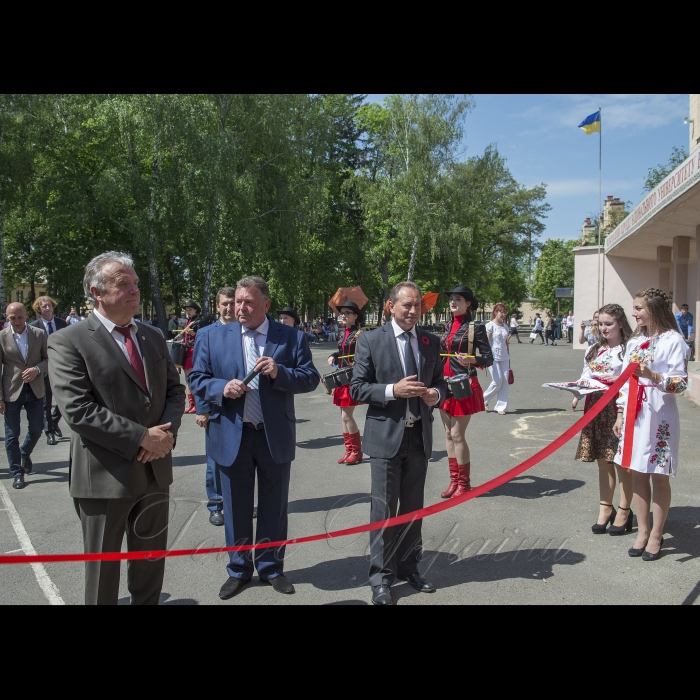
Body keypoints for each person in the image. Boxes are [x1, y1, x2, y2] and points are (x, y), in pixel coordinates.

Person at [48, 251, 185, 604]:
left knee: (150, 565)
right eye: (123, 284)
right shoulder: (68, 340)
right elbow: (77, 410)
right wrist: (143, 437)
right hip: (104, 476)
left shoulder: (153, 336)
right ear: (96, 291)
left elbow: (174, 389)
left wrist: (164, 436)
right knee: (101, 575)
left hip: (155, 473)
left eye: (136, 283)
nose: (134, 290)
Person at [188, 276, 319, 600]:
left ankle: (272, 568)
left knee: (274, 508)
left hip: (273, 435)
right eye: (236, 302)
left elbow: (310, 378)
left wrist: (279, 372)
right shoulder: (211, 336)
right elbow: (197, 378)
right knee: (235, 508)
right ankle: (239, 570)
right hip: (233, 433)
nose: (240, 308)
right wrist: (222, 387)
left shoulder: (290, 337)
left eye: (247, 302)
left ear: (265, 305)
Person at [350, 281, 447, 606]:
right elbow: (357, 389)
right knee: (383, 509)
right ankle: (381, 577)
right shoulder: (371, 339)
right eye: (406, 305)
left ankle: (409, 567)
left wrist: (435, 395)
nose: (412, 311)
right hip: (385, 437)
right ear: (391, 306)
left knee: (413, 508)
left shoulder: (430, 341)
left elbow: (440, 385)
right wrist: (393, 390)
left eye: (417, 305)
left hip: (418, 437)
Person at [613, 288, 690, 561]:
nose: (633, 314)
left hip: (659, 414)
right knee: (636, 472)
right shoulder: (634, 342)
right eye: (633, 309)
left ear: (654, 310)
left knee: (658, 473)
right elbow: (623, 383)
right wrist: (620, 414)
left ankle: (657, 533)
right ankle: (642, 530)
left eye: (638, 309)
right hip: (635, 413)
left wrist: (654, 375)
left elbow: (680, 383)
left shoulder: (674, 341)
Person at [574, 303, 634, 535]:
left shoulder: (628, 348)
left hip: (618, 407)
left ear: (620, 323)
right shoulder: (596, 349)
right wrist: (576, 390)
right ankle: (605, 508)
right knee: (602, 460)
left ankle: (625, 509)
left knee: (620, 462)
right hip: (596, 406)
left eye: (608, 324)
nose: (603, 328)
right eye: (600, 324)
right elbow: (586, 375)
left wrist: (618, 377)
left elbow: (634, 378)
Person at [438, 285, 493, 499]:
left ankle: (464, 483)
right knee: (447, 435)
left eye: (458, 299)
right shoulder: (446, 326)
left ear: (468, 303)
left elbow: (489, 358)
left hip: (464, 384)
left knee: (457, 434)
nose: (453, 302)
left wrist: (474, 360)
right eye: (451, 298)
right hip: (445, 383)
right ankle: (454, 481)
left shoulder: (475, 327)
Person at [193, 288, 237, 527]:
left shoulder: (244, 331)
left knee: (240, 460)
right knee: (216, 460)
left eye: (233, 303)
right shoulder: (206, 333)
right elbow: (199, 374)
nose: (229, 308)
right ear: (217, 306)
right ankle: (216, 504)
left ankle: (237, 502)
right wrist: (202, 408)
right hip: (216, 407)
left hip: (241, 408)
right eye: (225, 304)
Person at [0, 302, 48, 489]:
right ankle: (17, 473)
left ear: (26, 315)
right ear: (7, 317)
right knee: (12, 434)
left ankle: (25, 452)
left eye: (20, 317)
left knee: (37, 429)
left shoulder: (39, 334)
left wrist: (37, 369)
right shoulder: (2, 337)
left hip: (35, 389)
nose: (17, 321)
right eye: (12, 318)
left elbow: (48, 358)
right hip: (11, 391)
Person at [327, 300, 365, 465]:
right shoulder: (343, 333)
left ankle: (356, 451)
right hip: (341, 377)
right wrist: (334, 355)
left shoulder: (360, 334)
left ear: (355, 316)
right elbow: (342, 351)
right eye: (341, 313)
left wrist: (357, 362)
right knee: (343, 417)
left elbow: (365, 356)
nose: (343, 315)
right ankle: (349, 450)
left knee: (346, 415)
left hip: (352, 377)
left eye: (347, 313)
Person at [29, 296, 67, 445]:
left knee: (65, 398)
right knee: (47, 402)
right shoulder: (34, 326)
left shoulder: (61, 324)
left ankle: (55, 420)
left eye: (49, 305)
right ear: (39, 309)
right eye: (44, 306)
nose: (47, 308)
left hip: (61, 366)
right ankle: (49, 432)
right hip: (44, 367)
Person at [484, 303, 510, 415]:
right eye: (501, 312)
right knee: (497, 380)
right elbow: (486, 342)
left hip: (504, 356)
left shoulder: (505, 326)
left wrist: (509, 356)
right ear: (495, 312)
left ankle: (501, 407)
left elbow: (506, 342)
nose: (503, 314)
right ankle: (483, 400)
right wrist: (486, 357)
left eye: (504, 312)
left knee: (504, 382)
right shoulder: (490, 325)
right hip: (493, 356)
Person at [182, 300, 202, 413]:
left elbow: (202, 337)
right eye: (187, 310)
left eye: (190, 309)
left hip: (194, 351)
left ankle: (197, 403)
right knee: (187, 379)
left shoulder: (199, 322)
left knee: (192, 378)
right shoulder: (188, 321)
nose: (188, 311)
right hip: (186, 350)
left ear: (195, 310)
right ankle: (191, 403)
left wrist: (193, 334)